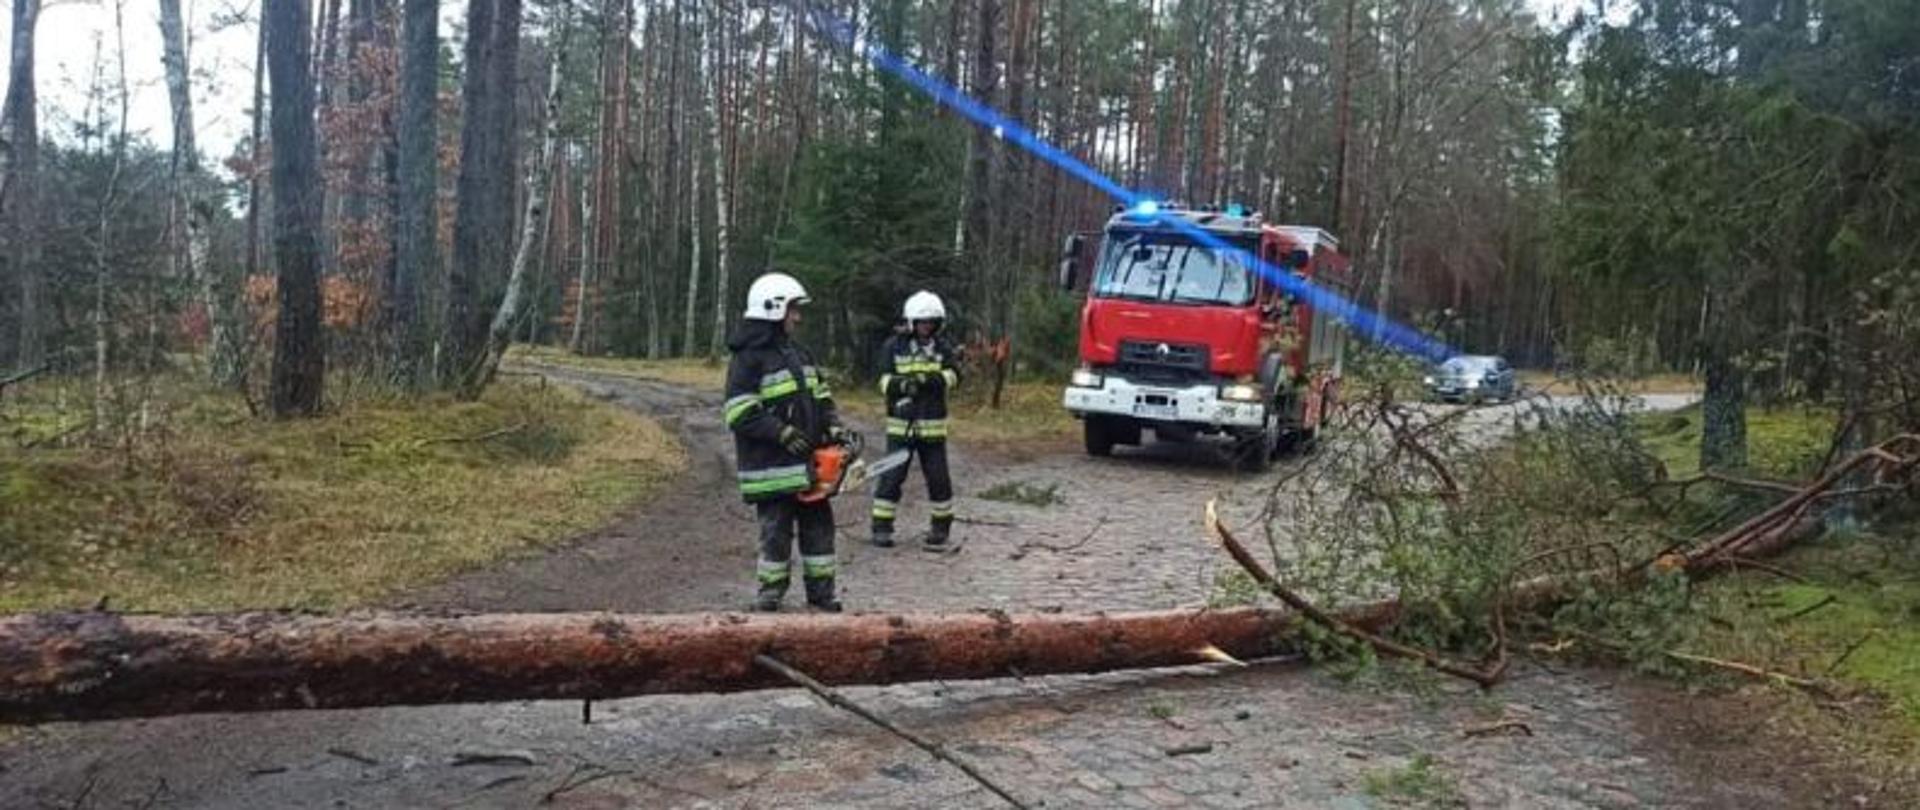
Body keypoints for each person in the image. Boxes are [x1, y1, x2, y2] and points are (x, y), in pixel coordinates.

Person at [723, 271, 854, 612]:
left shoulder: (799, 353)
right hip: (771, 468)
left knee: (819, 529)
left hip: (807, 465)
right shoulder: (748, 358)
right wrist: (780, 432)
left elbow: (821, 397)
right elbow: (738, 411)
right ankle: (770, 592)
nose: (797, 317)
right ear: (773, 308)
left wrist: (834, 428)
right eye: (793, 309)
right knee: (775, 532)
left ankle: (822, 592)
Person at [870, 291, 961, 550]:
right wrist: (902, 385)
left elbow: (955, 375)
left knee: (939, 480)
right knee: (891, 478)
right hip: (901, 429)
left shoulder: (942, 347)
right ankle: (881, 527)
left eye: (931, 322)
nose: (926, 327)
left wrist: (929, 380)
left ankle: (940, 527)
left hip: (933, 430)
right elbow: (882, 380)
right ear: (911, 322)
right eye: (922, 322)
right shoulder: (893, 346)